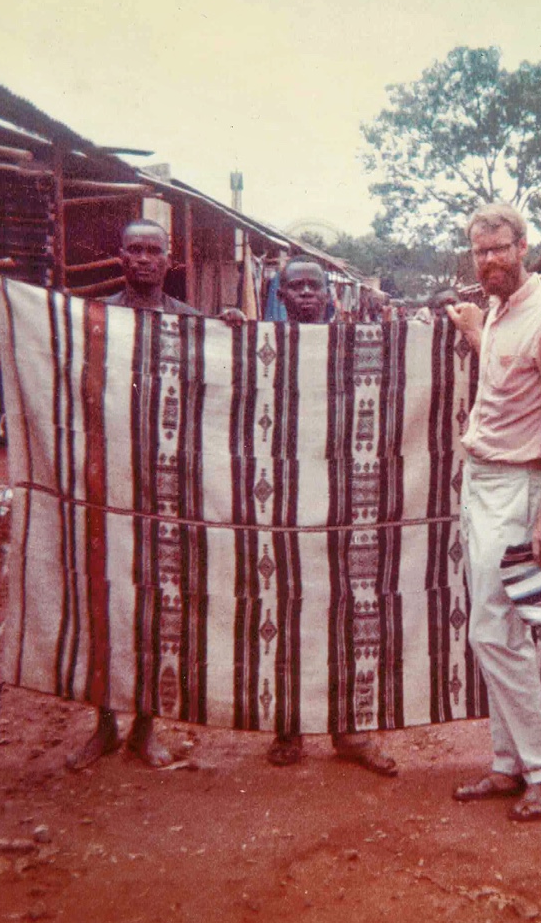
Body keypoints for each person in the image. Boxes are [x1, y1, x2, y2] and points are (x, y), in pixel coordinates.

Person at [68, 219, 243, 771]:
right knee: (105, 596)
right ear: (119, 256)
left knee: (160, 602)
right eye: (134, 249)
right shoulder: (96, 320)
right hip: (108, 480)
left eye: (153, 251)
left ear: (169, 261)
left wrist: (231, 330)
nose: (144, 259)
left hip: (169, 486)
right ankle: (103, 725)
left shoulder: (191, 324)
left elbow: (218, 389)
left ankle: (146, 727)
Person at [445, 203, 541, 822]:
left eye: (501, 248)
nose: (490, 260)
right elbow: (506, 383)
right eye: (480, 251)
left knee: (496, 633)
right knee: (496, 628)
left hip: (519, 487)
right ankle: (508, 764)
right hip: (481, 482)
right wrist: (476, 329)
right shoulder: (499, 308)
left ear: (525, 247)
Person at [265, 259, 397, 776]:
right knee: (287, 607)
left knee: (349, 610)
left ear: (328, 293)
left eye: (312, 286)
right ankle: (289, 726)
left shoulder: (358, 345)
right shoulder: (260, 346)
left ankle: (349, 729)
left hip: (347, 498)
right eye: (293, 286)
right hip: (283, 499)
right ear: (280, 292)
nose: (303, 295)